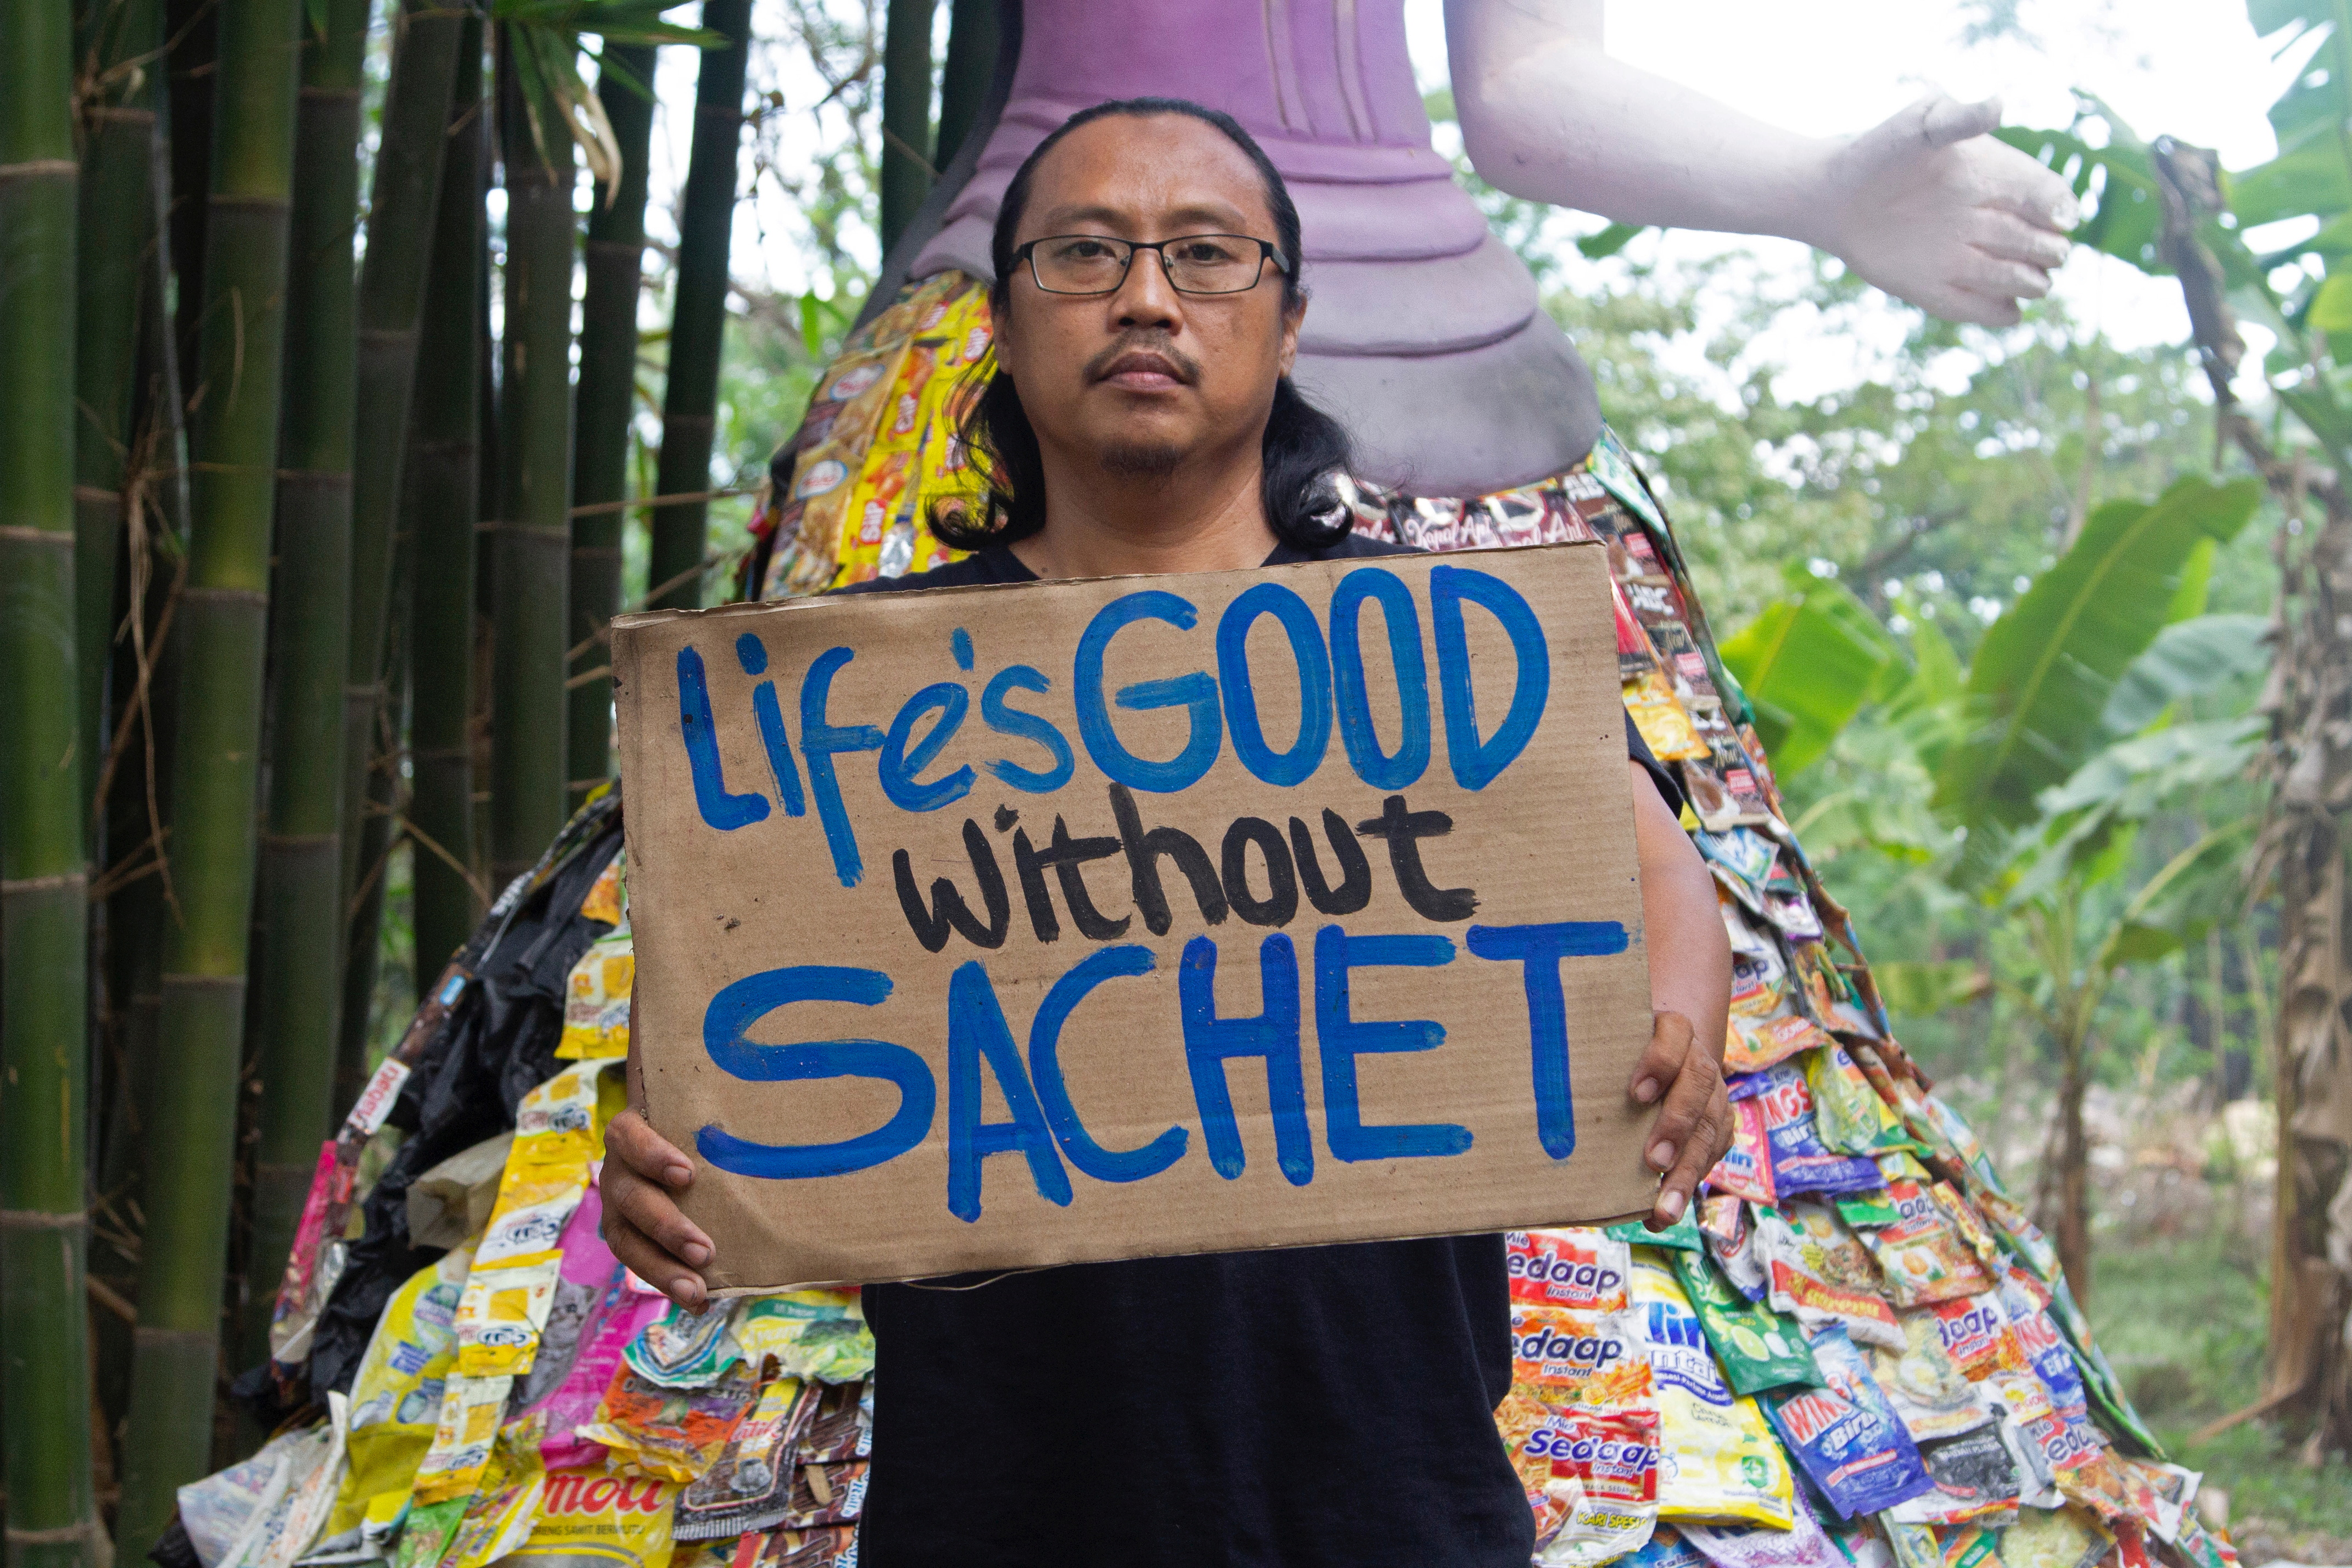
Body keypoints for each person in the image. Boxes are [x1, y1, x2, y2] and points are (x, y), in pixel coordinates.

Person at [608, 99, 1734, 1565]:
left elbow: (1657, 873)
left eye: (1205, 255)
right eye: (1085, 252)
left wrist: (1682, 1039)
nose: (1145, 296)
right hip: (999, 1517)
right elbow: (723, 1007)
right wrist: (654, 1161)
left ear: (1285, 322)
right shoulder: (849, 699)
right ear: (1003, 327)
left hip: (1394, 1505)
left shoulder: (1436, 654)